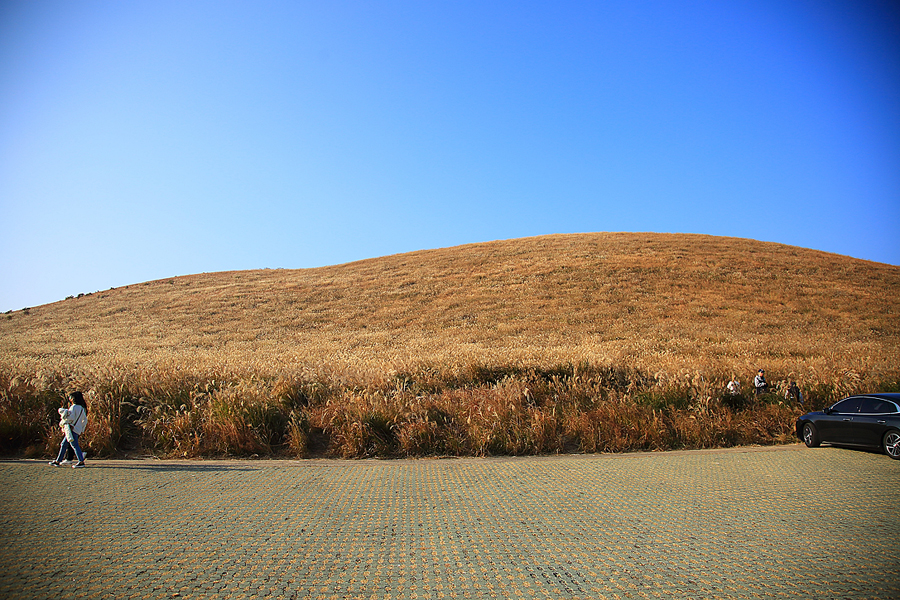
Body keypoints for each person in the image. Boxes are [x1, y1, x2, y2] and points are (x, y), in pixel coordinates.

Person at [49, 392, 88, 468]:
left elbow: (70, 418)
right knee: (64, 444)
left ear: (73, 398)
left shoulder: (74, 407)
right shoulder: (82, 408)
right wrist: (81, 429)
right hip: (76, 429)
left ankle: (81, 462)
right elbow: (84, 420)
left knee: (74, 445)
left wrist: (64, 412)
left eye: (70, 397)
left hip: (71, 429)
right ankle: (58, 461)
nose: (69, 398)